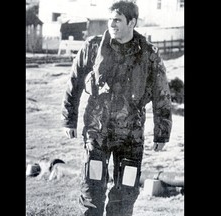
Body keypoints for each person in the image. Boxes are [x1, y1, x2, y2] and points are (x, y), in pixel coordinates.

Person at [61, 1, 172, 215]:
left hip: (131, 137)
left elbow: (162, 93)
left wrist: (162, 133)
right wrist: (69, 119)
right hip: (97, 133)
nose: (112, 24)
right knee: (92, 192)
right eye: (110, 19)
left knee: (125, 195)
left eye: (118, 20)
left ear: (132, 22)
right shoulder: (93, 47)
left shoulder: (148, 54)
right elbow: (74, 81)